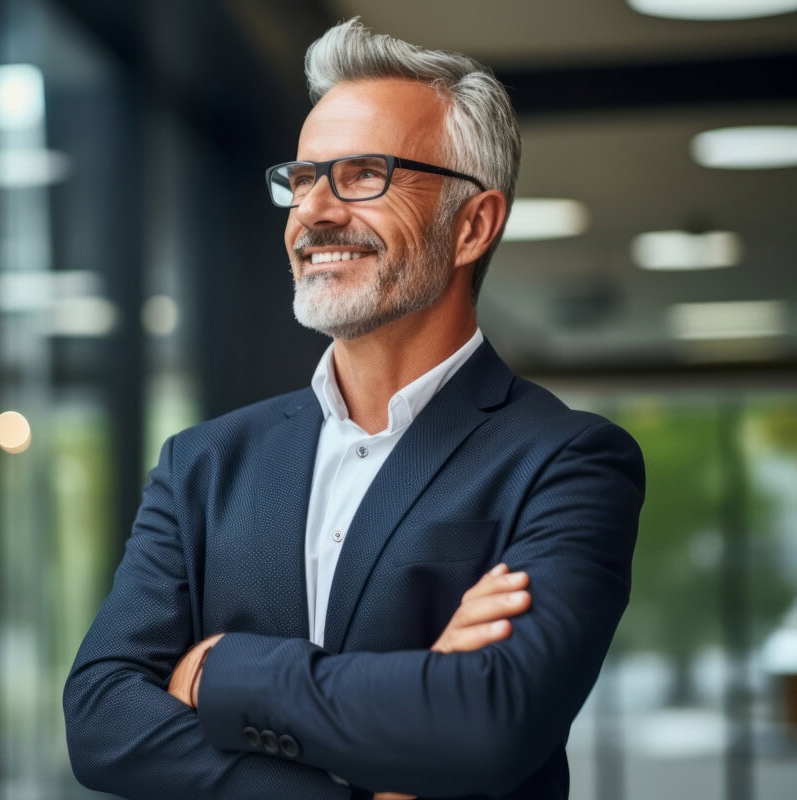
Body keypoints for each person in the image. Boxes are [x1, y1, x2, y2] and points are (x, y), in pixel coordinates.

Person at [64, 17, 644, 800]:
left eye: (364, 174)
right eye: (303, 178)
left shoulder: (567, 461)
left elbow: (490, 721)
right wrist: (362, 762)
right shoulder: (203, 463)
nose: (315, 212)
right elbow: (100, 717)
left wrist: (221, 668)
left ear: (473, 224)